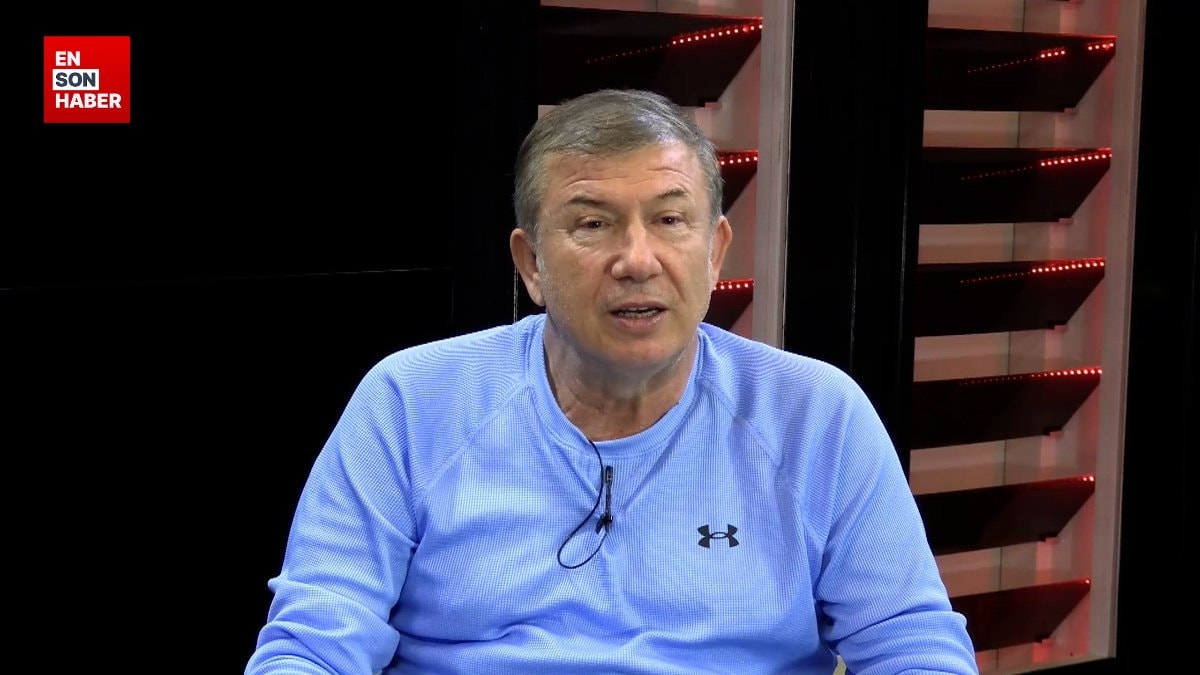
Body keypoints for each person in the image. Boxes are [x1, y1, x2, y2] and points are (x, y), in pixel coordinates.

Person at [245, 88, 979, 674]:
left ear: (715, 252)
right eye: (593, 225)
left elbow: (912, 646)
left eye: (670, 220)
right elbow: (313, 644)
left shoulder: (815, 416)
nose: (637, 259)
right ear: (530, 264)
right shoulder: (412, 401)